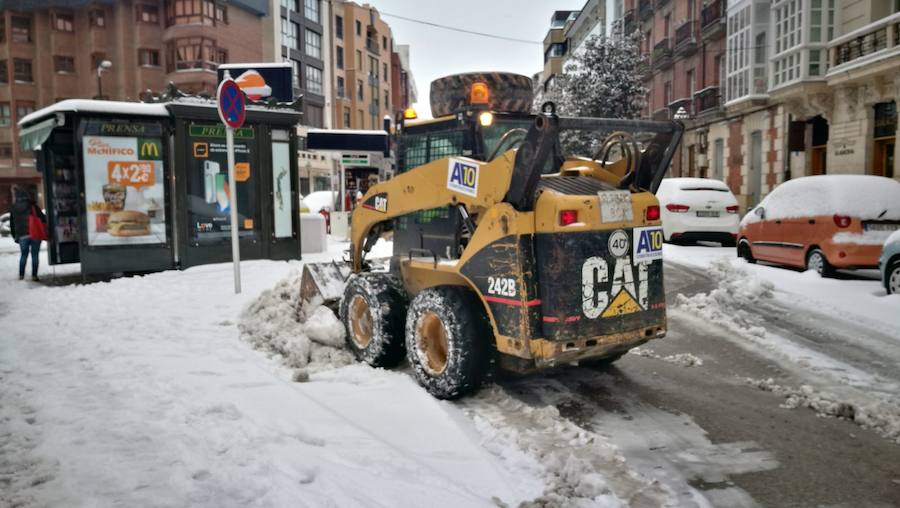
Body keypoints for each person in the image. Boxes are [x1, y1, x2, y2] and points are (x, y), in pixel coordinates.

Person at [9, 185, 46, 281]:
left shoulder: (14, 208)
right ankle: (34, 275)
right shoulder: (32, 205)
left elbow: (12, 224)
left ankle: (21, 275)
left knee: (23, 255)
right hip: (35, 233)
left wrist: (15, 236)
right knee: (35, 255)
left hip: (22, 235)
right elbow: (42, 218)